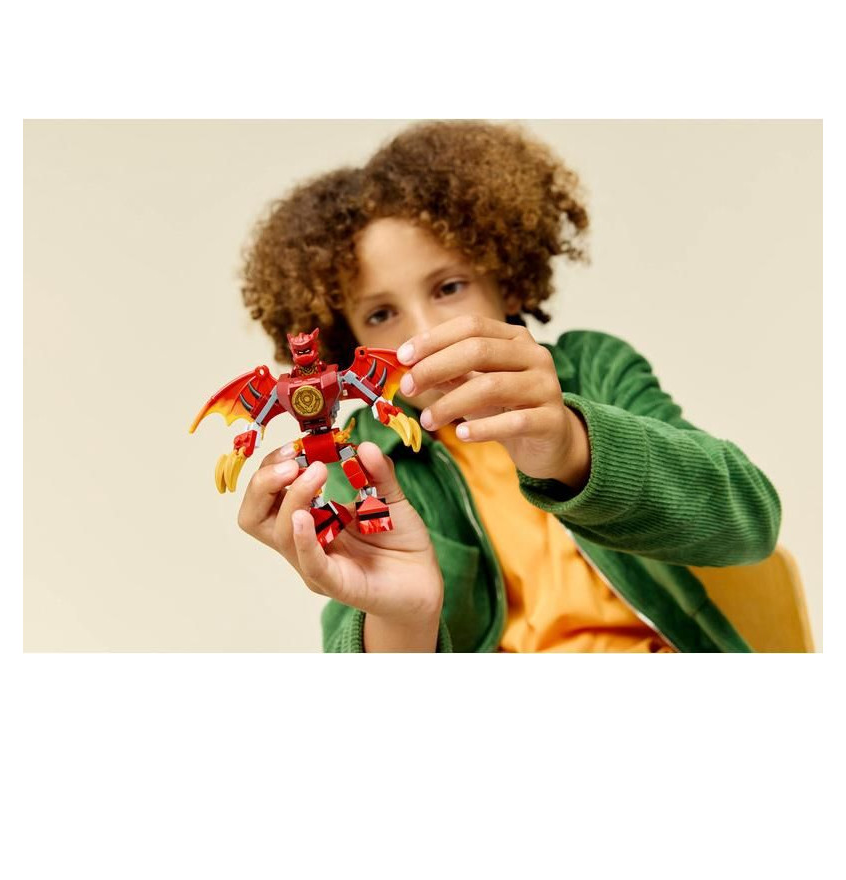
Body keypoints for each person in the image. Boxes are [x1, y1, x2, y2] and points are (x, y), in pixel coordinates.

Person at [234, 121, 782, 652]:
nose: (423, 333)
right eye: (380, 314)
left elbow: (750, 525)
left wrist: (572, 446)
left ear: (507, 277)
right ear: (344, 341)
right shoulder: (363, 455)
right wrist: (402, 617)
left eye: (449, 287)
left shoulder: (596, 369)